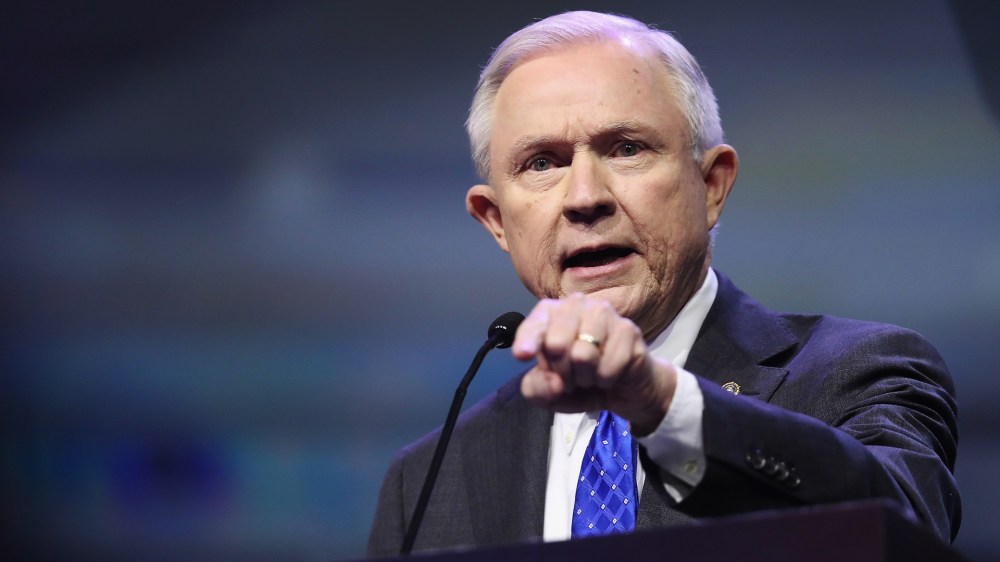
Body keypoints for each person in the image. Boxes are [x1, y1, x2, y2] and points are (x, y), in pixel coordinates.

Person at [367, 10, 960, 556]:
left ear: (711, 187)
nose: (585, 198)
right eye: (542, 163)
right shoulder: (425, 480)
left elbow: (902, 533)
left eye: (626, 149)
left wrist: (659, 401)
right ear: (496, 220)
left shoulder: (863, 373)